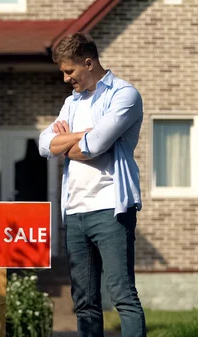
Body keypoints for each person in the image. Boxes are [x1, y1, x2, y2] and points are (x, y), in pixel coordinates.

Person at [38, 32, 147, 337]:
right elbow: (43, 145)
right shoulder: (72, 103)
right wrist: (78, 135)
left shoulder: (124, 95)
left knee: (123, 296)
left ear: (88, 63)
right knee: (84, 302)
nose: (64, 78)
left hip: (111, 209)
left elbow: (94, 146)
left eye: (69, 71)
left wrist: (68, 142)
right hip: (74, 211)